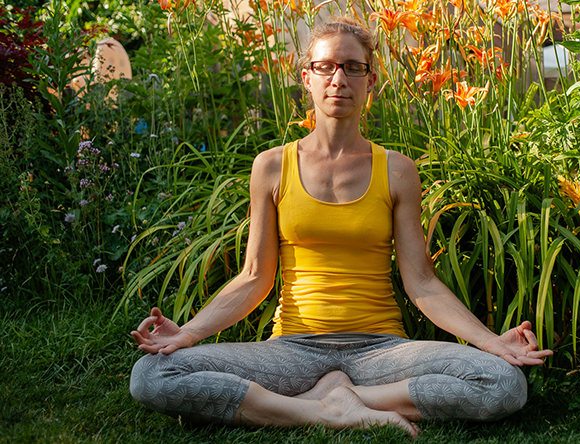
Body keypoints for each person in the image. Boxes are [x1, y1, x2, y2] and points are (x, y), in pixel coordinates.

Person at [129, 16, 552, 438]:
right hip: (293, 349)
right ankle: (322, 409)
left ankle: (338, 400)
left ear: (371, 81)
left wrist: (489, 341)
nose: (339, 79)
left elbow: (422, 283)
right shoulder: (272, 167)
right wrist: (187, 333)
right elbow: (255, 276)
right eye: (326, 66)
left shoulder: (397, 171)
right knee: (151, 374)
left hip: (382, 351)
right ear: (306, 77)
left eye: (353, 67)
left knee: (503, 382)